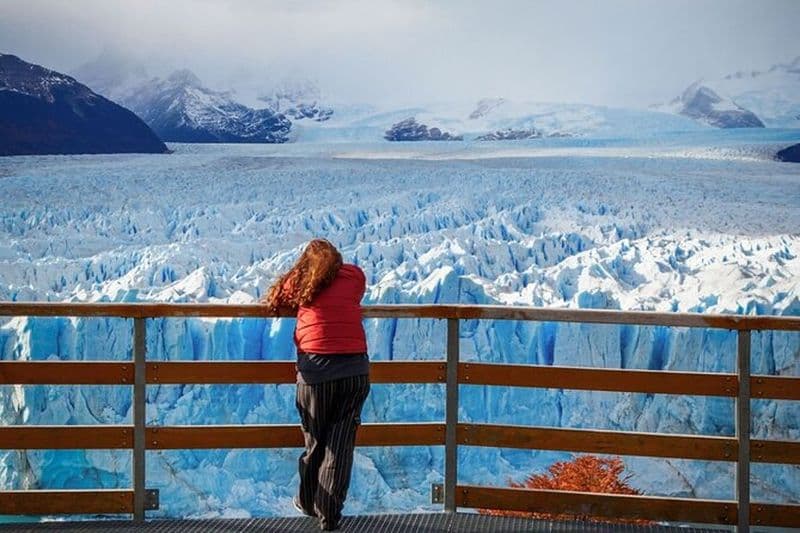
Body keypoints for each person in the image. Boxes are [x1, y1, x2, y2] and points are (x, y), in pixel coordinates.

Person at [264, 239, 370, 531]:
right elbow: (358, 290)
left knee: (315, 442)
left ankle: (308, 502)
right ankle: (329, 514)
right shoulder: (353, 276)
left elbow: (279, 295)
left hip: (316, 373)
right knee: (340, 444)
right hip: (354, 371)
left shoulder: (300, 282)